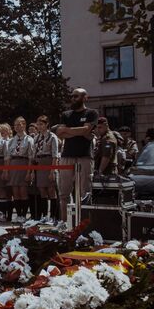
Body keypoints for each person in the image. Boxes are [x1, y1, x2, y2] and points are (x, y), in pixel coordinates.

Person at [55, 88, 99, 222]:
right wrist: (81, 132)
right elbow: (59, 133)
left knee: (84, 193)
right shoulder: (66, 114)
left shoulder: (92, 113)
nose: (73, 99)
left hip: (84, 156)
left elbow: (86, 130)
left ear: (85, 97)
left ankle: (84, 224)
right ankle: (64, 223)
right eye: (72, 96)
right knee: (64, 193)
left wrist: (67, 130)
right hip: (67, 155)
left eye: (76, 96)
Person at [3, 117, 34, 223]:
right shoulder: (12, 141)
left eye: (19, 124)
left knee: (23, 191)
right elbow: (7, 157)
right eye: (15, 125)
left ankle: (24, 215)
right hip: (13, 165)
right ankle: (18, 214)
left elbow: (31, 157)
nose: (17, 127)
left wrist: (29, 172)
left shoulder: (29, 139)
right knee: (15, 191)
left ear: (24, 125)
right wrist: (6, 171)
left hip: (24, 163)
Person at [33, 115, 59, 222]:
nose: (39, 126)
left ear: (46, 124)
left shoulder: (52, 137)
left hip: (49, 162)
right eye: (38, 124)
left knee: (51, 190)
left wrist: (52, 171)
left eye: (41, 124)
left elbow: (55, 155)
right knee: (42, 190)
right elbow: (34, 153)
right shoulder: (36, 138)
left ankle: (53, 216)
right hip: (39, 162)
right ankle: (44, 215)